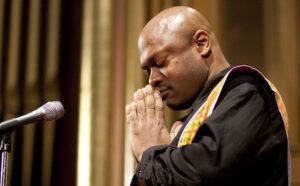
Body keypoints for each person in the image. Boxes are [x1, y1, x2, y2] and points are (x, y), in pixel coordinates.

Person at [125, 6, 290, 186]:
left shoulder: (248, 92)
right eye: (148, 70)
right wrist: (159, 158)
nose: (152, 80)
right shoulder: (193, 118)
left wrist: (151, 153)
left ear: (201, 44)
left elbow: (205, 176)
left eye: (160, 63)